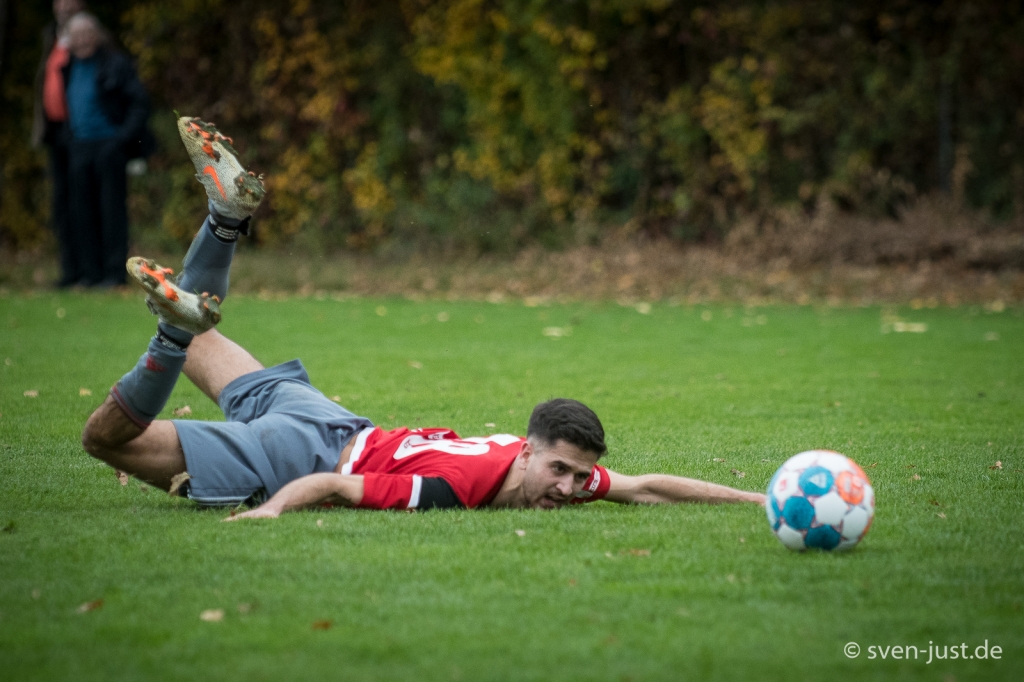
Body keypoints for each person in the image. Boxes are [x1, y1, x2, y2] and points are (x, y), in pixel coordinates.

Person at [81, 117, 766, 517]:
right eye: (559, 471)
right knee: (107, 436)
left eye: (576, 477)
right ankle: (183, 312)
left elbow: (648, 486)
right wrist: (272, 509)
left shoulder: (547, 469)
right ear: (526, 450)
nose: (568, 488)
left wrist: (756, 502)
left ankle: (224, 224)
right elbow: (335, 485)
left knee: (205, 339)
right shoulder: (463, 486)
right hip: (310, 450)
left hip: (333, 417)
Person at [63, 12, 153, 287]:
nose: (82, 41)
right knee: (81, 212)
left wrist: (122, 138)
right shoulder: (66, 68)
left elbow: (139, 102)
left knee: (111, 211)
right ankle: (90, 273)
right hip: (79, 145)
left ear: (98, 36)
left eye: (87, 34)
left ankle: (114, 273)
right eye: (76, 36)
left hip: (109, 144)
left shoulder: (115, 64)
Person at [31, 0, 86, 287]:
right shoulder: (50, 35)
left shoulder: (90, 35)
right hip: (55, 132)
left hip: (80, 132)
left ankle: (91, 272)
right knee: (62, 206)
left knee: (82, 205)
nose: (63, 6)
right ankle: (70, 272)